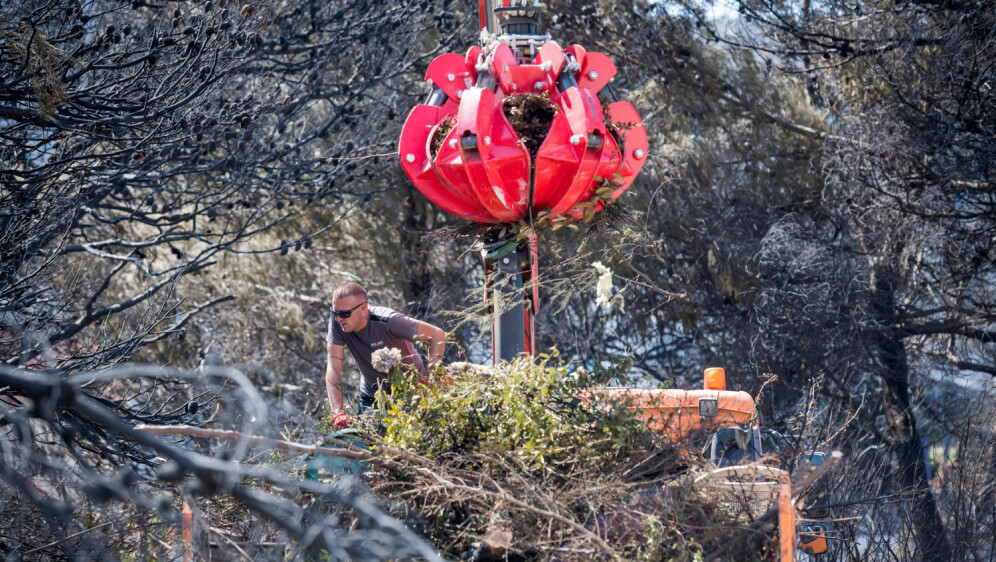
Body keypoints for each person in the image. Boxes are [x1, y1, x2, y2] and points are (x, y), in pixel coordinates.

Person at [325, 282, 446, 427]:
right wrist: (338, 412)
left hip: (409, 391)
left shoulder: (389, 320)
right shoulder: (338, 322)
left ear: (363, 308)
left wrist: (430, 380)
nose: (339, 318)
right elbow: (333, 369)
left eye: (345, 314)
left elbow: (437, 334)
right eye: (335, 312)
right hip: (372, 394)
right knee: (368, 445)